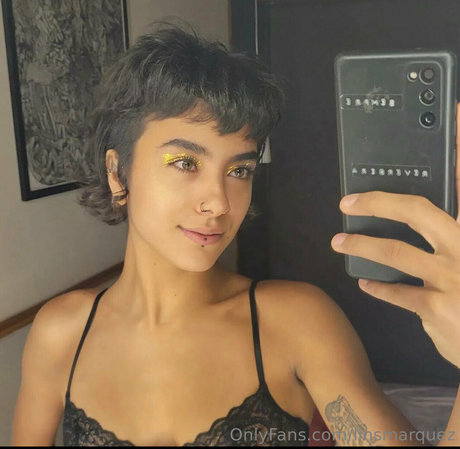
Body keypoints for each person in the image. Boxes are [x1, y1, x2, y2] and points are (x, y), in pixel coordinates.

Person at [11, 22, 460, 447]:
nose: (220, 202)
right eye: (185, 163)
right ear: (116, 172)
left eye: (239, 170)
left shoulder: (296, 322)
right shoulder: (62, 332)